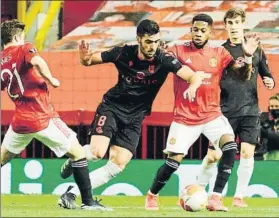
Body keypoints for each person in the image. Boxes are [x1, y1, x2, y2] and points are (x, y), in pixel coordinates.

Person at [58, 19, 208, 208]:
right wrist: (84, 56)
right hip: (112, 108)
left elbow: (191, 75)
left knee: (118, 164)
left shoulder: (164, 60)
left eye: (155, 41)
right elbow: (88, 61)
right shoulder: (123, 53)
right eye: (148, 42)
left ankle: (71, 193)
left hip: (135, 118)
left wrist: (194, 85)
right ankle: (77, 156)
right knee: (97, 152)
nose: (152, 46)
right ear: (139, 39)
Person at [144, 13, 260, 212]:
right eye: (195, 29)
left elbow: (242, 75)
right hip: (185, 117)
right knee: (173, 162)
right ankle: (152, 194)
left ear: (210, 32)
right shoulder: (177, 50)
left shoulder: (220, 53)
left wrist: (248, 56)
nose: (198, 33)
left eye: (202, 30)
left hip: (212, 115)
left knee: (230, 147)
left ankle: (215, 198)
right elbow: (161, 61)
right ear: (191, 30)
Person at [0, 19, 110, 211]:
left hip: (20, 121)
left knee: (2, 159)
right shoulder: (24, 48)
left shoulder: (2, 62)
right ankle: (88, 202)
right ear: (17, 37)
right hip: (41, 116)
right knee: (78, 153)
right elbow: (37, 61)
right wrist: (50, 79)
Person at [197, 8, 275, 208]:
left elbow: (267, 75)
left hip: (250, 111)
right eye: (229, 24)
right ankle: (197, 190)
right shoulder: (221, 52)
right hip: (224, 111)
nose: (233, 27)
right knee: (214, 155)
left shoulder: (256, 50)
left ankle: (239, 196)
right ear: (226, 26)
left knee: (247, 153)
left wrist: (269, 81)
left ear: (243, 24)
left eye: (236, 23)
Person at [261, 94, 279, 160]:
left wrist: (265, 130)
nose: (274, 108)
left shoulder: (266, 125)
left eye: (276, 106)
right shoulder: (267, 122)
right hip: (267, 156)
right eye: (271, 106)